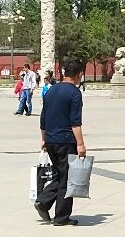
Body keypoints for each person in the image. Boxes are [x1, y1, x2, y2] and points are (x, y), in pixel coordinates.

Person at [37, 59, 87, 226]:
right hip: (66, 141)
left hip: (51, 139)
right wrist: (80, 144)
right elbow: (75, 122)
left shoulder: (51, 90)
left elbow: (43, 118)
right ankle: (61, 217)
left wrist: (44, 139)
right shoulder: (74, 93)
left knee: (60, 174)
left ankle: (43, 201)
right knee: (68, 178)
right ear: (79, 74)